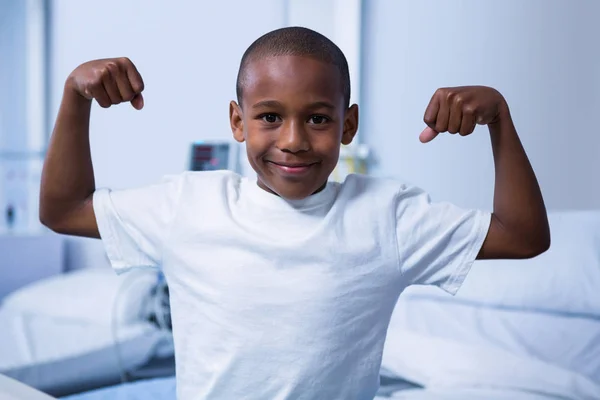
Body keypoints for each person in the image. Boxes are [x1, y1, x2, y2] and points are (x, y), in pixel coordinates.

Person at [39, 26, 550, 400]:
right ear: (237, 122)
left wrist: (500, 120)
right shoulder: (187, 207)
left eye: (318, 119)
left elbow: (523, 236)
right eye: (269, 117)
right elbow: (63, 211)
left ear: (348, 125)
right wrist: (73, 98)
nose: (293, 141)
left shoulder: (386, 216)